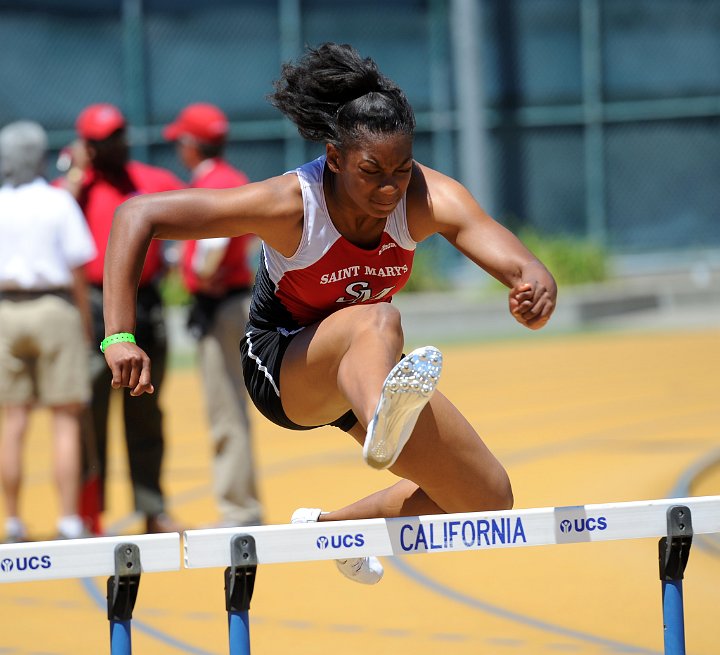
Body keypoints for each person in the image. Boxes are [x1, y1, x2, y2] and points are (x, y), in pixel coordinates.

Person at [100, 43, 557, 582]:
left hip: (365, 369)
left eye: (402, 170)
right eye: (372, 171)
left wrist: (536, 292)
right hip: (282, 363)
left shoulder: (429, 197)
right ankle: (381, 418)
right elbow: (138, 214)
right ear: (335, 158)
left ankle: (327, 528)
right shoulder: (292, 205)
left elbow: (524, 267)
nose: (389, 188)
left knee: (486, 499)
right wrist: (118, 336)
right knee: (378, 316)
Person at [59, 103, 184, 534]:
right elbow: (54, 219)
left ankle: (152, 506)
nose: (117, 144)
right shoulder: (75, 190)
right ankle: (87, 511)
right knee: (89, 411)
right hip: (93, 306)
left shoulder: (149, 181)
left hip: (145, 303)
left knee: (146, 409)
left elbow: (191, 220)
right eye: (103, 139)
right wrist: (74, 174)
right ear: (87, 147)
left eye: (119, 135)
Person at [163, 103, 262, 527]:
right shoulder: (233, 180)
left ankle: (238, 509)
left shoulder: (215, 185)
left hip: (219, 304)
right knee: (229, 407)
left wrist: (203, 276)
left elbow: (211, 247)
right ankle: (240, 505)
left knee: (225, 410)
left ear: (191, 145)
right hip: (233, 302)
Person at [0, 121, 96, 542]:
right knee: (65, 418)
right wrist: (86, 321)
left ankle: (14, 519)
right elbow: (78, 267)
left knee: (12, 420)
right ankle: (69, 518)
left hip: (6, 310)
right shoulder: (58, 202)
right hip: (54, 306)